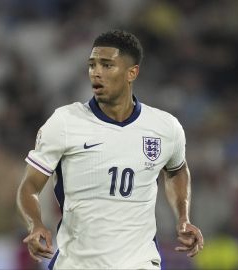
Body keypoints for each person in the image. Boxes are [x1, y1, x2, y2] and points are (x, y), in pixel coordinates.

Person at [16, 29, 203, 269]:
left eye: (107, 65)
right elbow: (30, 185)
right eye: (92, 65)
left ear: (131, 73)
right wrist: (36, 224)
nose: (96, 73)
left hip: (139, 263)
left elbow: (176, 170)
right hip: (77, 264)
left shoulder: (165, 127)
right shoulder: (65, 122)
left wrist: (183, 218)